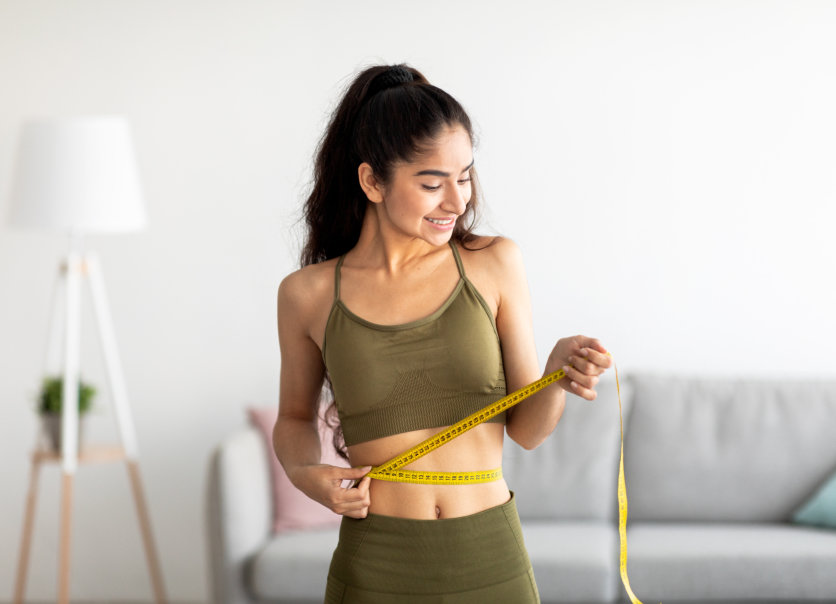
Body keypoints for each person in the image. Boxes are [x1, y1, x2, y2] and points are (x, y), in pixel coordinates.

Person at [274, 63, 612, 604]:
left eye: (465, 176)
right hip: (377, 561)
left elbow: (526, 431)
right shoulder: (308, 295)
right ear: (372, 182)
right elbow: (293, 417)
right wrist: (304, 474)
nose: (456, 201)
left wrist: (556, 373)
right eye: (432, 183)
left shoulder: (493, 264)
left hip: (489, 555)